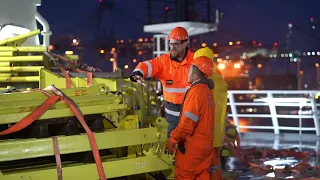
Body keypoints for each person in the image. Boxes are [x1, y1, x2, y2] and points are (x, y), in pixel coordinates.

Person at [130, 26, 194, 137]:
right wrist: (138, 73)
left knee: (192, 149)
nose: (172, 47)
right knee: (172, 148)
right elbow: (146, 65)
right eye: (170, 43)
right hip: (173, 120)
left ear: (185, 43)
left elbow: (213, 77)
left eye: (176, 44)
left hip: (192, 117)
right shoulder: (163, 62)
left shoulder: (196, 60)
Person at [165, 56, 216, 180]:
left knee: (184, 176)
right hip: (206, 148)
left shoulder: (196, 92)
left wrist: (173, 138)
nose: (188, 72)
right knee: (202, 176)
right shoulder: (207, 92)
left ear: (196, 75)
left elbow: (187, 124)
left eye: (190, 69)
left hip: (192, 149)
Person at [193, 47, 228, 180]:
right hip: (217, 134)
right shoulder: (219, 78)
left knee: (203, 167)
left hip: (204, 133)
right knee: (215, 164)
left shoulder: (203, 82)